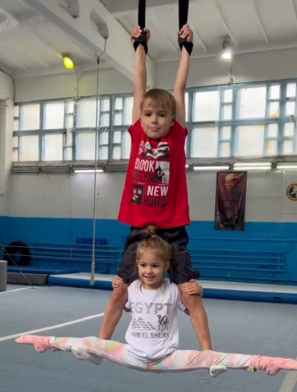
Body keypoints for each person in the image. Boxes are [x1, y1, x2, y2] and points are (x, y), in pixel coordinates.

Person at [16, 227, 297, 376]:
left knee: (213, 358)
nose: (148, 271)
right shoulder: (132, 289)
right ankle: (46, 342)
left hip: (165, 358)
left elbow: (193, 309)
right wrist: (118, 284)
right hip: (131, 353)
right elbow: (118, 301)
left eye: (154, 266)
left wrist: (199, 289)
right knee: (88, 342)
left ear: (166, 267)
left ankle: (267, 363)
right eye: (143, 266)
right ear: (136, 266)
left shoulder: (173, 291)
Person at [99, 24, 213, 353]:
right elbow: (139, 85)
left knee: (190, 292)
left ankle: (208, 352)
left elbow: (180, 88)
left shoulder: (176, 137)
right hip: (139, 229)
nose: (153, 120)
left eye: (161, 115)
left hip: (173, 230)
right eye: (147, 114)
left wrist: (185, 49)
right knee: (120, 290)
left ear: (172, 119)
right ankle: (100, 343)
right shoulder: (137, 134)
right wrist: (139, 45)